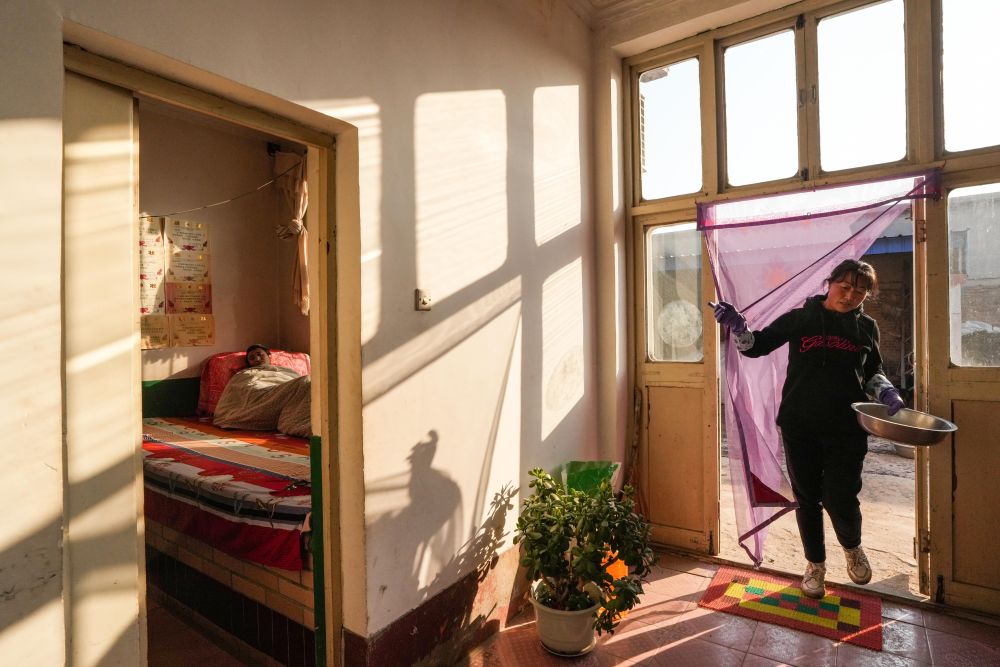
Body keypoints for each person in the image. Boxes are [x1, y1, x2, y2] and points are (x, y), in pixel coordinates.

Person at [712, 259, 905, 599]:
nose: (850, 296)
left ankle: (852, 547)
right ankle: (815, 565)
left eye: (860, 292)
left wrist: (886, 391)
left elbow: (873, 370)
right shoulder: (801, 318)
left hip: (847, 427)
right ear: (829, 283)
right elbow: (756, 346)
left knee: (841, 495)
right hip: (799, 424)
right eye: (845, 287)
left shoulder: (866, 327)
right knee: (807, 499)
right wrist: (739, 328)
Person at [213, 344, 312, 437]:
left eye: (260, 354)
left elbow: (298, 385)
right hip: (264, 396)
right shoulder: (244, 374)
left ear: (269, 356)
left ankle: (305, 421)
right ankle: (292, 424)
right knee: (305, 381)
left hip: (287, 389)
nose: (257, 358)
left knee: (310, 383)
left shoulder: (286, 371)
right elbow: (242, 391)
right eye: (252, 358)